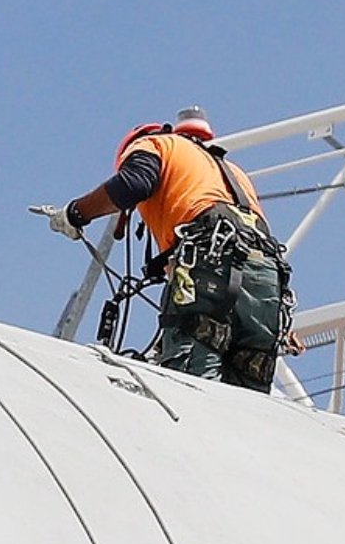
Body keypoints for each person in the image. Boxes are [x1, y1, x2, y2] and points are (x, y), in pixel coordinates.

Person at [49, 109, 297, 392]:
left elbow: (133, 184)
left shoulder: (153, 144)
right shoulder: (232, 173)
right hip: (267, 283)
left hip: (210, 262)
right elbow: (249, 245)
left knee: (191, 390)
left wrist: (76, 213)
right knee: (247, 402)